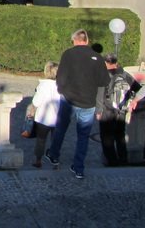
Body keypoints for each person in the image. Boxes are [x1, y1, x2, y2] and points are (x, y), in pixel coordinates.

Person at [44, 29, 109, 179]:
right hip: (88, 102)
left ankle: (54, 155)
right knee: (83, 136)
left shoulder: (68, 54)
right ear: (87, 40)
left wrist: (61, 90)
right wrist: (99, 107)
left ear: (74, 40)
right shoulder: (97, 58)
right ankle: (79, 168)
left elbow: (61, 77)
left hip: (69, 99)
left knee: (61, 128)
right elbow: (102, 84)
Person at [96, 53, 140, 166]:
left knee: (106, 136)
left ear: (106, 63)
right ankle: (123, 158)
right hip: (121, 109)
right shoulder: (125, 74)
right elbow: (138, 88)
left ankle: (112, 161)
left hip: (107, 109)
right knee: (120, 135)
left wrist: (98, 111)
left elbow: (100, 94)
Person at [30, 61, 60, 168]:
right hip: (58, 119)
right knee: (56, 141)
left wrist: (32, 111)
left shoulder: (42, 86)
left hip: (43, 119)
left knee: (41, 140)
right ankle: (55, 161)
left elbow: (36, 102)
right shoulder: (62, 85)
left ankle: (38, 160)